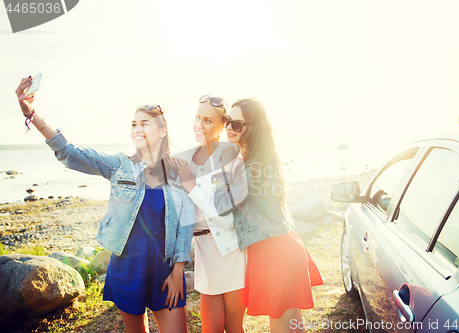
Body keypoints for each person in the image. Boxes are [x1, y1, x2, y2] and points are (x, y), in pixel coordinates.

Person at [15, 76, 196, 333]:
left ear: (163, 130)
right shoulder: (119, 165)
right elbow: (70, 153)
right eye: (134, 123)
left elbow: (185, 224)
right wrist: (32, 114)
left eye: (145, 123)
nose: (136, 128)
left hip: (164, 270)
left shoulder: (178, 172)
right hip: (127, 266)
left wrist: (178, 272)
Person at [213, 98, 323, 333]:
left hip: (275, 255)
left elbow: (222, 205)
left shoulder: (252, 168)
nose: (229, 128)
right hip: (281, 248)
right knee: (294, 326)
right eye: (227, 121)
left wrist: (220, 173)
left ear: (254, 128)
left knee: (282, 327)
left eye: (237, 124)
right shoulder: (256, 160)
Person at [173, 95, 246, 333]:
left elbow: (224, 218)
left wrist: (191, 186)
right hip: (204, 251)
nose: (199, 125)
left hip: (230, 250)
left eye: (207, 120)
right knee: (210, 329)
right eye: (197, 117)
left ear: (222, 124)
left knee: (233, 327)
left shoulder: (231, 159)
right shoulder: (183, 159)